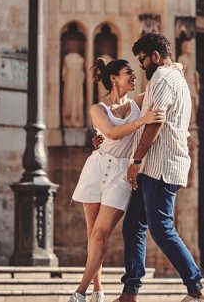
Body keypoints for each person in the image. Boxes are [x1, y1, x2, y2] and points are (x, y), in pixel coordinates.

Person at [114, 32, 204, 302]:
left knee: (161, 228)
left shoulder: (162, 77)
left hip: (160, 166)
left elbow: (155, 121)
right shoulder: (175, 77)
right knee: (133, 225)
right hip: (159, 167)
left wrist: (136, 160)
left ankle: (196, 288)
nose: (141, 65)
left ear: (155, 56)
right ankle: (129, 292)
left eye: (142, 59)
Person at [67, 58, 165, 302]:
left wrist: (174, 66)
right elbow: (110, 132)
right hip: (96, 170)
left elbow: (157, 87)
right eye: (128, 72)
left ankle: (79, 293)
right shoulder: (97, 109)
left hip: (120, 176)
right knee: (93, 237)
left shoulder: (137, 104)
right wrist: (143, 120)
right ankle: (98, 291)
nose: (133, 76)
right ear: (114, 78)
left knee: (101, 234)